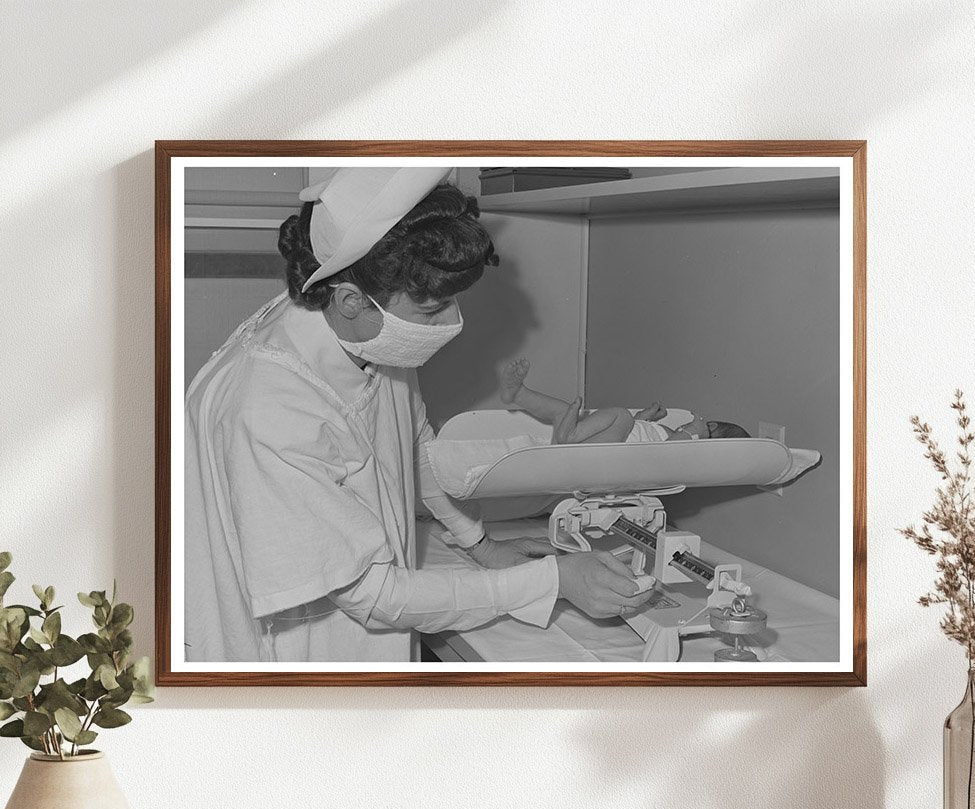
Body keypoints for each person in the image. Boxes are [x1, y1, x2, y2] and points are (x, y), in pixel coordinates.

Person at [184, 167, 654, 662]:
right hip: (293, 642)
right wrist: (548, 582)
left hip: (364, 616)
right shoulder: (269, 408)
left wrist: (481, 546)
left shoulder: (368, 336)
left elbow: (416, 455)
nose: (452, 323)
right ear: (349, 301)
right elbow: (372, 594)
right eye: (433, 309)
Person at [499, 358, 750, 444]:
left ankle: (571, 434)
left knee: (622, 416)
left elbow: (668, 447)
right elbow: (640, 431)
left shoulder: (679, 445)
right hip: (594, 443)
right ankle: (519, 394)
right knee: (563, 411)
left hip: (601, 450)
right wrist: (647, 416)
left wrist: (691, 434)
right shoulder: (669, 433)